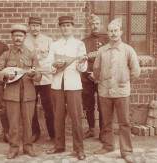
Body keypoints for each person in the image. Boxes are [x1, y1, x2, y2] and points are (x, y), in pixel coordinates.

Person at [0, 24, 42, 159]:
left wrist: (34, 74)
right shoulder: (6, 54)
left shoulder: (31, 54)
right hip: (12, 95)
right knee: (13, 124)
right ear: (12, 37)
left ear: (25, 37)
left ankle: (28, 147)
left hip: (29, 94)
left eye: (21, 35)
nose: (18, 38)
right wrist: (5, 75)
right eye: (16, 35)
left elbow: (39, 76)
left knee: (28, 123)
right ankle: (13, 148)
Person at [93, 18, 140, 163]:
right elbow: (96, 70)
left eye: (116, 30)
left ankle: (126, 150)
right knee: (106, 120)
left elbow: (135, 71)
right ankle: (108, 145)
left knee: (124, 122)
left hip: (121, 92)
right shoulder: (102, 50)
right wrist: (102, 82)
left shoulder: (128, 50)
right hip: (105, 91)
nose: (113, 33)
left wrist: (124, 82)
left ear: (121, 32)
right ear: (107, 33)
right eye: (111, 31)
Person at [46, 16, 87, 160]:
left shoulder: (79, 44)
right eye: (63, 25)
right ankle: (59, 145)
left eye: (68, 25)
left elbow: (83, 68)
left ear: (72, 27)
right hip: (57, 84)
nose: (66, 28)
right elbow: (48, 64)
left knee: (76, 117)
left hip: (73, 84)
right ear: (60, 27)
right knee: (58, 116)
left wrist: (81, 62)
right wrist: (54, 65)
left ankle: (79, 148)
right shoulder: (55, 45)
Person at [24, 17, 55, 142]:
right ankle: (35, 132)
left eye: (37, 25)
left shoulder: (48, 40)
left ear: (40, 26)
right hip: (31, 79)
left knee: (49, 106)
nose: (35, 28)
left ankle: (53, 133)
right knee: (31, 106)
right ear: (29, 27)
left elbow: (52, 59)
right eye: (32, 25)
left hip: (46, 79)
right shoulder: (25, 41)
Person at [81, 14, 108, 139]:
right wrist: (90, 73)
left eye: (97, 24)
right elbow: (81, 60)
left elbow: (109, 60)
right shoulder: (84, 42)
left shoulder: (107, 41)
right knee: (88, 104)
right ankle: (91, 129)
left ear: (101, 25)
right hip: (87, 78)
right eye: (92, 24)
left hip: (102, 78)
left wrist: (98, 74)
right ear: (89, 26)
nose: (95, 26)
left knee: (103, 104)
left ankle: (104, 131)